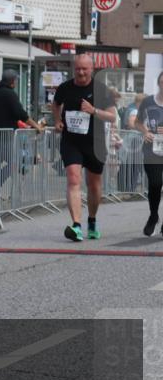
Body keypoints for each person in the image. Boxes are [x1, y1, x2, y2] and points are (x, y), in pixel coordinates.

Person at [53, 54, 116, 241]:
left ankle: (92, 220)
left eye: (84, 69)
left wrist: (93, 110)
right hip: (71, 141)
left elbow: (112, 116)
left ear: (92, 69)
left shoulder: (101, 90)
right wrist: (57, 120)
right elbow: (55, 104)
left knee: (94, 184)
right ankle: (77, 225)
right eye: (78, 68)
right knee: (73, 179)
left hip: (94, 143)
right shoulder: (65, 87)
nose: (80, 72)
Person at [0, 70, 44, 199]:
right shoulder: (10, 94)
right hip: (6, 137)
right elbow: (21, 114)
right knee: (15, 162)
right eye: (16, 80)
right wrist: (36, 125)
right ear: (13, 81)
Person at [134, 71, 163, 236]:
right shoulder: (148, 101)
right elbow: (137, 122)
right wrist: (145, 131)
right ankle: (153, 216)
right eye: (162, 82)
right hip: (152, 150)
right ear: (159, 83)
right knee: (155, 184)